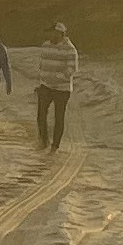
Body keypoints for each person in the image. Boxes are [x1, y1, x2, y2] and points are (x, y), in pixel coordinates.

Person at [26, 20, 79, 152]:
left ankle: (55, 145)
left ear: (60, 33)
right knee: (41, 115)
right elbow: (42, 65)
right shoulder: (45, 45)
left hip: (62, 89)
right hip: (45, 87)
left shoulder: (70, 49)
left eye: (53, 32)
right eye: (50, 32)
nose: (50, 35)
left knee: (59, 117)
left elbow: (72, 69)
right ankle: (44, 141)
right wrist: (42, 81)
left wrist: (56, 79)